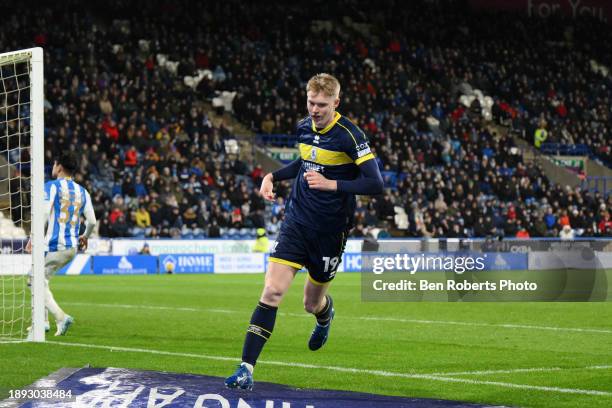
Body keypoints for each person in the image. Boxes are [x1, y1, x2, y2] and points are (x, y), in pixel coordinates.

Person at [225, 73, 383, 390]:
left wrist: (332, 184)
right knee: (271, 292)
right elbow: (304, 162)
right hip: (296, 221)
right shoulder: (302, 127)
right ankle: (245, 369)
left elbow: (375, 183)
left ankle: (325, 315)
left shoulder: (350, 136)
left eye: (322, 104)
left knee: (311, 303)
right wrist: (272, 176)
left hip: (331, 230)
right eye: (311, 102)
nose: (314, 110)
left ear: (335, 103)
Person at [26, 152, 97, 336]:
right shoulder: (83, 191)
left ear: (58, 167)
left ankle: (60, 317)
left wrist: (34, 239)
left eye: (54, 164)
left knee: (35, 280)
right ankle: (42, 323)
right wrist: (85, 236)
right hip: (72, 247)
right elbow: (91, 222)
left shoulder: (51, 187)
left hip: (55, 245)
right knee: (39, 279)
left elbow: (42, 215)